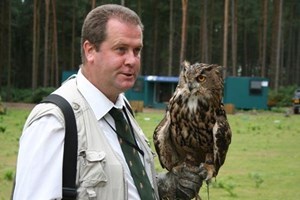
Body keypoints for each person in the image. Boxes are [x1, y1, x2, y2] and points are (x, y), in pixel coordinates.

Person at [13, 4, 205, 200]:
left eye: (136, 50)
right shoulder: (55, 121)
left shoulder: (122, 109)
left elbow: (123, 184)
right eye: (121, 49)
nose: (132, 60)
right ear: (90, 50)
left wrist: (164, 187)